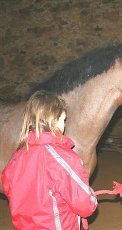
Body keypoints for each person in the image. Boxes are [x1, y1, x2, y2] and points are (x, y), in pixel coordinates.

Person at [1, 90, 97, 229]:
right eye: (63, 120)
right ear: (54, 120)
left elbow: (9, 188)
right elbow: (85, 205)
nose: (64, 127)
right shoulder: (63, 158)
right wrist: (91, 196)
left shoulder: (16, 158)